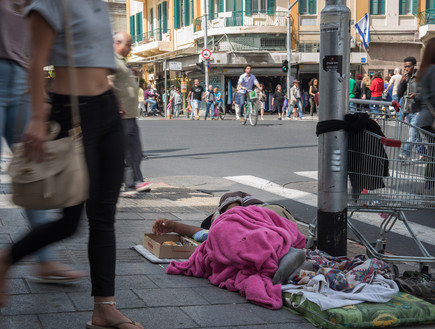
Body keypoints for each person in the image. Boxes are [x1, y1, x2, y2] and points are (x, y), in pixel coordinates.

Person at [0, 2, 144, 328]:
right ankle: (8, 258)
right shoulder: (51, 2)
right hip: (73, 115)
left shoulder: (97, 5)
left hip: (107, 109)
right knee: (71, 221)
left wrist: (109, 89)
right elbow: (39, 62)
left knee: (104, 216)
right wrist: (39, 115)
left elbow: (95, 56)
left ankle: (104, 308)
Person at [0, 0, 86, 285]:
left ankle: (44, 259)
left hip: (21, 81)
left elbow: (43, 55)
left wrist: (43, 94)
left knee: (35, 173)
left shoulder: (40, 5)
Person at [152, 191, 301, 242]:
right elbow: (200, 233)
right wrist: (174, 227)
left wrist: (231, 219)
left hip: (273, 216)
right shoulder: (219, 233)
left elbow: (234, 205)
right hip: (270, 234)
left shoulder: (233, 202)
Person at [111, 32, 152, 195]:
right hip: (122, 114)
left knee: (134, 149)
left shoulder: (122, 62)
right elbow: (109, 82)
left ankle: (135, 181)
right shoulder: (112, 60)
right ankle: (131, 183)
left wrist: (131, 73)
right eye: (128, 44)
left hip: (130, 114)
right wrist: (118, 103)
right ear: (118, 43)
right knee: (130, 150)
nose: (130, 48)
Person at [397, 56, 427, 160]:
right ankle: (424, 154)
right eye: (405, 67)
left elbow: (426, 93)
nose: (406, 69)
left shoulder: (420, 77)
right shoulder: (405, 78)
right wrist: (401, 83)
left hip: (418, 110)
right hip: (408, 110)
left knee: (412, 134)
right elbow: (399, 94)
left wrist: (416, 95)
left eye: (408, 67)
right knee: (415, 135)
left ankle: (405, 153)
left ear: (414, 66)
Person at [416, 37, 435, 192]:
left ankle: (429, 189)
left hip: (425, 119)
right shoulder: (433, 70)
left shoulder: (424, 71)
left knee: (433, 154)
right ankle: (430, 189)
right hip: (432, 119)